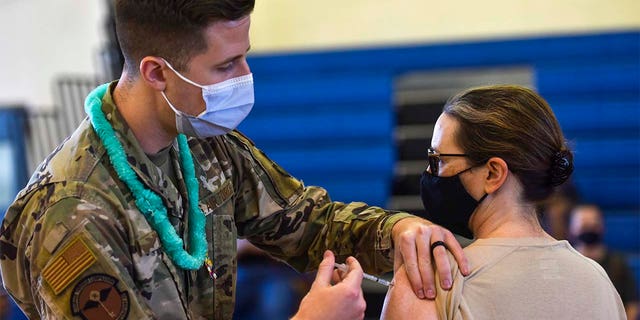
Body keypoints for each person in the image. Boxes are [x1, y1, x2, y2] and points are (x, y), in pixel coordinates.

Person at [0, 1, 469, 319]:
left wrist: (398, 232)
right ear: (157, 72)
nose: (245, 78)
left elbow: (308, 221)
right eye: (225, 66)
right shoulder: (72, 212)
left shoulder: (202, 142)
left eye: (244, 58)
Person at [381, 85, 626, 319]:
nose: (429, 171)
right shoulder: (599, 282)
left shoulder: (427, 284)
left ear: (492, 174)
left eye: (438, 160)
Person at [569, 203, 639, 320]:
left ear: (602, 227)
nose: (589, 229)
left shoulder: (618, 264)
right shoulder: (566, 263)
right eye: (584, 226)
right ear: (572, 228)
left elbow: (632, 305)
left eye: (594, 225)